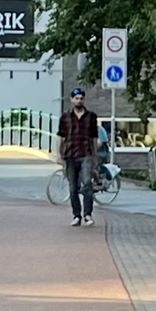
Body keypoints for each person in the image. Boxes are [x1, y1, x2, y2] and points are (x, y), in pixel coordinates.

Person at [58, 86, 103, 226]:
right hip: (70, 155)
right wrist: (59, 154)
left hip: (86, 154)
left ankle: (88, 214)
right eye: (76, 98)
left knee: (87, 183)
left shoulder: (91, 117)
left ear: (84, 99)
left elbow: (94, 137)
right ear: (72, 100)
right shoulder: (65, 117)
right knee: (73, 187)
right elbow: (60, 136)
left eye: (81, 98)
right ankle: (76, 215)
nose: (79, 100)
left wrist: (95, 155)